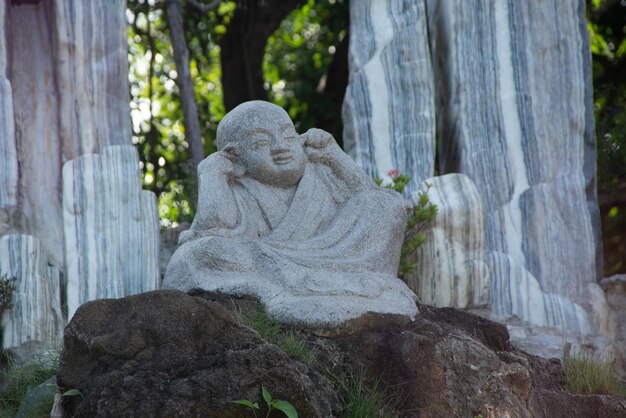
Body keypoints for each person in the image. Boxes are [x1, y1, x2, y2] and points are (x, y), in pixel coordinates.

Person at [163, 101, 417, 326]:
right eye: (261, 142)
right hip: (270, 259)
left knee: (388, 206)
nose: (279, 147)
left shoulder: (322, 174)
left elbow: (369, 199)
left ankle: (326, 284)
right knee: (199, 253)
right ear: (235, 157)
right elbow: (215, 225)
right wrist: (211, 173)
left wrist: (336, 158)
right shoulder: (239, 188)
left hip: (336, 261)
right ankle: (304, 289)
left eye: (288, 136)